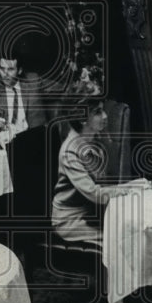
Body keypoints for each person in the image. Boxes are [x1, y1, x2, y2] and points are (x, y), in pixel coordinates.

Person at [51, 98, 131, 245]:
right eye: (97, 112)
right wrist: (130, 190)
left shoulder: (94, 141)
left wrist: (141, 185)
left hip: (92, 215)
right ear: (83, 119)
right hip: (70, 221)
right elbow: (94, 193)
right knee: (120, 242)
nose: (105, 116)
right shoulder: (70, 151)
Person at [0, 53, 48, 132]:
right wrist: (3, 127)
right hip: (8, 139)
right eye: (2, 69)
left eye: (10, 69)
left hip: (35, 135)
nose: (5, 74)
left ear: (19, 70)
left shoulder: (33, 81)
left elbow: (59, 89)